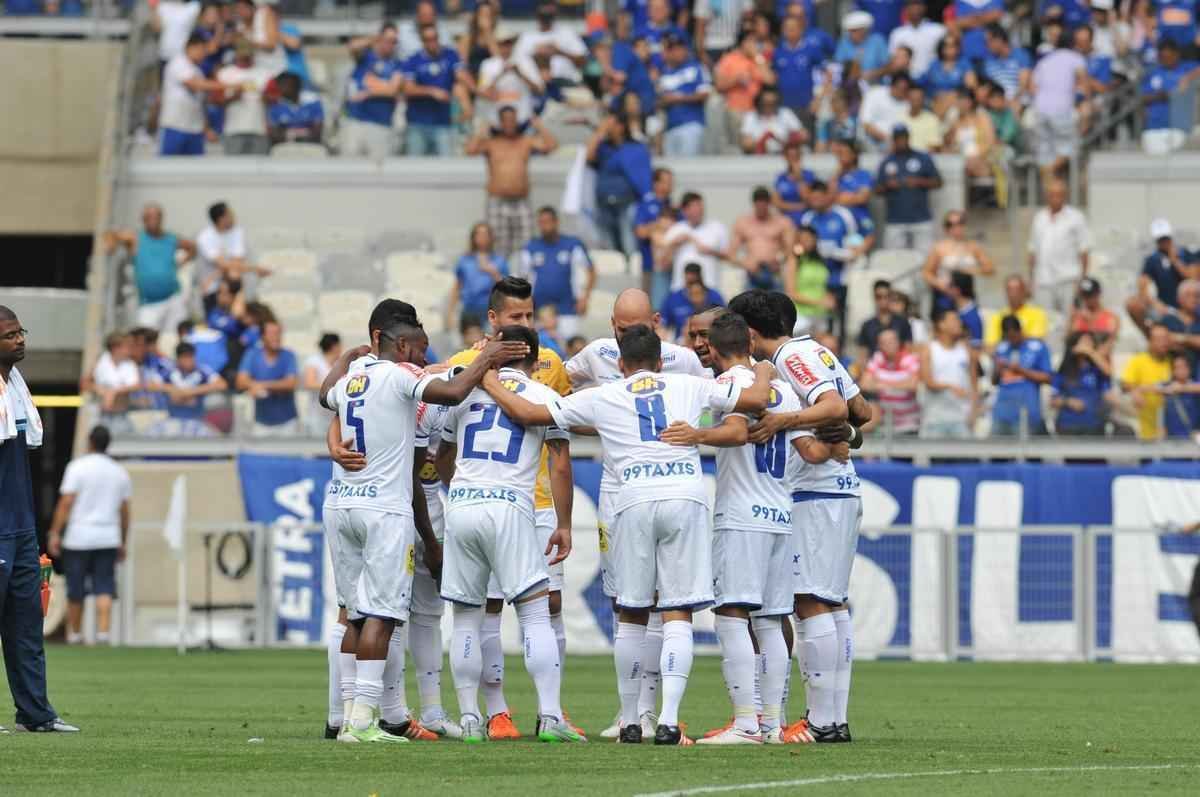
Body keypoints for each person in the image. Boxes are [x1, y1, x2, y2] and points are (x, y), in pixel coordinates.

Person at [488, 323, 774, 745]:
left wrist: (488, 376)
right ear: (660, 361)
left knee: (632, 613)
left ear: (621, 364)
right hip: (685, 495)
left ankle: (631, 721)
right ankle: (671, 722)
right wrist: (764, 367)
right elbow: (756, 399)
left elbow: (529, 414)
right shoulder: (688, 384)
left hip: (633, 499)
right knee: (678, 612)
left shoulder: (605, 394)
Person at [319, 313, 530, 744]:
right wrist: (486, 355)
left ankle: (345, 717)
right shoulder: (399, 378)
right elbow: (452, 392)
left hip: (342, 504)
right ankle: (362, 722)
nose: (423, 357)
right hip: (383, 508)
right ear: (400, 347)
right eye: (418, 349)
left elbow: (326, 396)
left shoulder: (354, 379)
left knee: (354, 614)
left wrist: (344, 359)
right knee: (382, 614)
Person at [655, 313, 808, 744]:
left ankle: (745, 723)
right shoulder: (783, 388)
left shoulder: (729, 384)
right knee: (771, 620)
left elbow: (738, 431)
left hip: (742, 515)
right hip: (781, 512)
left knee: (730, 616)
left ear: (718, 351)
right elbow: (804, 446)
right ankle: (773, 724)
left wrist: (695, 434)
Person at [726, 289, 870, 744]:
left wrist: (783, 422)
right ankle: (834, 718)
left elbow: (834, 408)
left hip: (816, 492)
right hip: (840, 490)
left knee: (809, 601)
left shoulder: (790, 357)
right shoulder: (819, 351)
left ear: (750, 333)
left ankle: (821, 720)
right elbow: (861, 412)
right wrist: (842, 433)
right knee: (832, 602)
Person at [565, 289, 709, 741]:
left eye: (633, 328)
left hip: (643, 487)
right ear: (611, 324)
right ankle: (637, 713)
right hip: (620, 489)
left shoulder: (683, 361)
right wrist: (610, 422)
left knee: (659, 601)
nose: (623, 336)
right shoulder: (595, 354)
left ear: (656, 320)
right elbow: (559, 383)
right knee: (628, 600)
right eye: (619, 327)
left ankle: (646, 712)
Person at [440, 277, 578, 741]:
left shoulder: (463, 382)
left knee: (466, 615)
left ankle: (471, 719)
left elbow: (439, 451)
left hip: (461, 502)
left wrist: (456, 488)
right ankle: (552, 717)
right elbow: (559, 464)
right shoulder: (542, 396)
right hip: (511, 506)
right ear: (532, 357)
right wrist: (563, 522)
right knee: (535, 614)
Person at [0, 307, 78, 732]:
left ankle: (36, 714)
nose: (20, 340)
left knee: (27, 626)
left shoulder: (15, 385)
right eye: (10, 335)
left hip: (20, 528)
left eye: (20, 332)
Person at [45, 425, 131, 646]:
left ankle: (75, 634)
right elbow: (124, 511)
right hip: (108, 535)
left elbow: (66, 503)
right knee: (104, 586)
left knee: (76, 587)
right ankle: (103, 634)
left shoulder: (77, 467)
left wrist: (55, 531)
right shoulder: (118, 471)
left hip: (79, 537)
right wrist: (122, 539)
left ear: (90, 442)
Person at [466, 107, 557, 259]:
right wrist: (481, 131)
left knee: (527, 244)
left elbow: (552, 146)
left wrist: (539, 126)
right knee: (498, 245)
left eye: (512, 119)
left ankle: (523, 280)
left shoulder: (525, 141)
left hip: (521, 200)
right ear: (500, 122)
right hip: (497, 201)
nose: (509, 123)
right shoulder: (492, 143)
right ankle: (502, 280)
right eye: (506, 120)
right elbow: (470, 150)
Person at [103, 204, 197, 335]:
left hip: (173, 298)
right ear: (143, 220)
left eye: (156, 217)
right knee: (145, 337)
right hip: (149, 303)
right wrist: (111, 245)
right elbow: (112, 235)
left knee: (176, 337)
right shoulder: (136, 238)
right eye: (149, 217)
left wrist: (181, 262)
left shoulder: (170, 239)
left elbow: (192, 247)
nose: (153, 220)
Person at [799, 180, 867, 336]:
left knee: (839, 321)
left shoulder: (843, 215)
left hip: (840, 277)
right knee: (821, 324)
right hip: (817, 279)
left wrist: (837, 253)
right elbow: (801, 245)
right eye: (812, 198)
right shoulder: (808, 218)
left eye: (818, 198)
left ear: (826, 197)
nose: (815, 202)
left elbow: (855, 245)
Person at [517, 207, 596, 339]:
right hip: (539, 310)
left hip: (567, 308)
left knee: (569, 350)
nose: (545, 226)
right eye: (541, 222)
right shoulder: (530, 247)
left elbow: (591, 271)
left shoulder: (572, 244)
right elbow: (522, 278)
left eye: (547, 221)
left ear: (556, 222)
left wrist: (584, 298)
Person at [587, 113, 653, 257]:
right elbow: (589, 156)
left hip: (627, 202)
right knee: (609, 246)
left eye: (612, 124)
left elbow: (641, 175)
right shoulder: (604, 148)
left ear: (621, 126)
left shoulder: (635, 147)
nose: (609, 127)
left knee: (628, 241)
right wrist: (600, 131)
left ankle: (632, 276)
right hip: (604, 203)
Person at [403, 22, 472, 156]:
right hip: (417, 123)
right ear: (422, 41)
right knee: (414, 169)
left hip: (443, 123)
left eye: (435, 38)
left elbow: (462, 78)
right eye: (428, 39)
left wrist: (476, 92)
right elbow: (407, 89)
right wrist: (432, 92)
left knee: (446, 168)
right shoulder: (413, 60)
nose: (432, 42)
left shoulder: (450, 55)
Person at [1031, 29, 1089, 183]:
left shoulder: (1045, 61)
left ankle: (1048, 191)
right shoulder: (1076, 58)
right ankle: (1051, 174)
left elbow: (1033, 87)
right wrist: (1084, 107)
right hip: (1061, 109)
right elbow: (1083, 84)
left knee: (1045, 154)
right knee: (1070, 148)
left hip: (1040, 109)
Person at [875, 124, 943, 253]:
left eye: (903, 138)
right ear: (893, 140)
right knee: (894, 260)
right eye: (898, 138)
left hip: (921, 219)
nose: (901, 141)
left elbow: (938, 182)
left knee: (924, 259)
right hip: (895, 220)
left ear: (908, 138)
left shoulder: (923, 158)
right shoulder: (886, 161)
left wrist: (919, 182)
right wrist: (888, 186)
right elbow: (877, 190)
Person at [1027, 180, 1091, 313]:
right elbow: (1033, 250)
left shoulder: (1076, 217)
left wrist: (1082, 279)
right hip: (1043, 280)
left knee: (1068, 320)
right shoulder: (1039, 218)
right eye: (1052, 195)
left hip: (1068, 278)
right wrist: (1031, 279)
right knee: (1045, 321)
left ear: (1065, 196)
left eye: (1059, 195)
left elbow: (1084, 250)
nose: (1055, 198)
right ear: (1046, 196)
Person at [160, 33, 230, 155]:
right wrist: (226, 85)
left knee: (194, 171)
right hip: (175, 126)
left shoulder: (198, 71)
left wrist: (206, 129)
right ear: (191, 47)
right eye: (202, 50)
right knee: (169, 169)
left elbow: (200, 105)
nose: (204, 54)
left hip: (195, 130)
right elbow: (194, 84)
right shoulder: (178, 63)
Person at [343, 22, 405, 159]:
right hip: (355, 121)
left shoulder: (398, 64)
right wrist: (373, 39)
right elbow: (352, 46)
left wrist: (368, 91)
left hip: (381, 124)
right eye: (388, 40)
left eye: (394, 41)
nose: (391, 44)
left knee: (378, 173)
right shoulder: (366, 57)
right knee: (349, 170)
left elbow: (392, 90)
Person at [1128, 218, 1200, 331]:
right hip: (1167, 307)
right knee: (1133, 303)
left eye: (1166, 238)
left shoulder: (1185, 253)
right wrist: (1156, 304)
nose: (1164, 242)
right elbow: (1142, 285)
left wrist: (1175, 260)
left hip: (1190, 307)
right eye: (1160, 239)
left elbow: (1194, 277)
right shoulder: (1152, 259)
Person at [195, 202, 266, 313]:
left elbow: (236, 263)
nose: (234, 217)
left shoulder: (237, 232)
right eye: (230, 214)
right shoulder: (205, 237)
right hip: (212, 289)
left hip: (234, 287)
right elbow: (223, 264)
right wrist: (255, 269)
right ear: (221, 219)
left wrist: (233, 272)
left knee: (235, 275)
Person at [922, 210, 995, 313]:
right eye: (950, 224)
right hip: (946, 293)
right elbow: (926, 273)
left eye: (960, 223)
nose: (956, 228)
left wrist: (970, 270)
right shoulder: (939, 248)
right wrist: (941, 285)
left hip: (967, 293)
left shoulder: (973, 246)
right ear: (946, 228)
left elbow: (990, 269)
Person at [991, 315, 1053, 435]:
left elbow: (1047, 377)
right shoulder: (1002, 348)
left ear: (1020, 331)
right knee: (996, 451)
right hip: (1001, 412)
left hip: (1026, 411)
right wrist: (998, 369)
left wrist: (1020, 370)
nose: (1011, 340)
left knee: (1023, 451)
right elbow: (994, 381)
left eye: (1013, 336)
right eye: (1008, 337)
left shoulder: (1037, 347)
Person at [235, 319, 298, 436]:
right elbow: (240, 381)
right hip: (261, 423)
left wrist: (260, 385)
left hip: (287, 423)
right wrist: (254, 386)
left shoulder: (289, 356)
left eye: (278, 333)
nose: (277, 337)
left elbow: (291, 383)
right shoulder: (252, 355)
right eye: (272, 333)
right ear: (262, 336)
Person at [920, 307, 976, 438]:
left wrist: (974, 412)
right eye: (954, 320)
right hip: (935, 418)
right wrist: (950, 387)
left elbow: (974, 384)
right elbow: (928, 381)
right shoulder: (930, 350)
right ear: (942, 324)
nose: (959, 323)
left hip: (961, 418)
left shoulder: (966, 351)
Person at [729, 186, 797, 291]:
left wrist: (779, 259)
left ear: (769, 204)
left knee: (777, 306)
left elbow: (790, 250)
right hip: (752, 275)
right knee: (749, 306)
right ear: (754, 204)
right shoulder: (743, 223)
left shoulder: (782, 222)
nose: (761, 208)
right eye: (758, 205)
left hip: (774, 275)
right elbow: (731, 255)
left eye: (764, 205)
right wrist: (746, 263)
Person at [716, 30, 776, 146]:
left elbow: (770, 80)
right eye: (751, 42)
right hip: (735, 110)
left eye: (756, 42)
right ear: (743, 43)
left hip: (756, 113)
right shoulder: (729, 59)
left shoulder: (759, 60)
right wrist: (735, 80)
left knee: (755, 146)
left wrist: (758, 57)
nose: (755, 45)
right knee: (737, 146)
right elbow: (719, 86)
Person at [1141, 38, 1200, 155]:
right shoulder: (1153, 72)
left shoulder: (1185, 68)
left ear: (1176, 54)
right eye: (1162, 57)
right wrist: (1159, 96)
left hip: (1179, 127)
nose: (1165, 60)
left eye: (1169, 57)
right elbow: (1142, 97)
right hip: (1153, 128)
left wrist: (1188, 78)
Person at [772, 9, 830, 128]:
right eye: (786, 28)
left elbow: (828, 74)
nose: (789, 31)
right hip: (784, 107)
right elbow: (773, 77)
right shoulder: (778, 52)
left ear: (800, 30)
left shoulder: (811, 49)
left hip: (807, 105)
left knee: (806, 141)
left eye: (792, 28)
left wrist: (818, 99)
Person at [661, 192, 730, 292]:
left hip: (709, 289)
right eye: (694, 208)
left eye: (701, 207)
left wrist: (710, 251)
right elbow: (663, 265)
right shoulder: (675, 230)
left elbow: (728, 256)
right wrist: (674, 245)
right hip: (681, 289)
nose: (699, 211)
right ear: (684, 210)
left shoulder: (717, 227)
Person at [215, 38, 272, 155]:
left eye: (248, 54)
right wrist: (233, 97)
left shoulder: (265, 74)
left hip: (258, 129)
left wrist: (264, 97)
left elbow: (275, 99)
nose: (245, 58)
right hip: (233, 129)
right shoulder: (224, 74)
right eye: (243, 54)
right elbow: (215, 100)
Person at [477, 27, 544, 126]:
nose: (505, 47)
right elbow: (483, 94)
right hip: (496, 122)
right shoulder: (487, 65)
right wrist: (500, 75)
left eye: (508, 43)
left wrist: (520, 74)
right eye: (501, 43)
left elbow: (540, 90)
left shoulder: (527, 62)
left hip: (523, 119)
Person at [658, 33, 712, 156]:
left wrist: (678, 98)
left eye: (681, 48)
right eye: (674, 49)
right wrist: (665, 101)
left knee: (689, 165)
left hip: (691, 125)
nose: (679, 52)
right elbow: (658, 100)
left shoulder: (697, 68)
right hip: (670, 127)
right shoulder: (663, 73)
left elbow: (704, 94)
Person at [449, 223, 509, 332]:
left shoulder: (499, 260)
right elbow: (457, 287)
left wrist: (493, 272)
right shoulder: (465, 260)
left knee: (490, 343)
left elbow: (507, 289)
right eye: (479, 234)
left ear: (491, 237)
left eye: (485, 234)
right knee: (472, 345)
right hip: (469, 310)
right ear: (473, 238)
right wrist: (450, 313)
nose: (482, 237)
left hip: (491, 311)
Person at [1120, 323, 1175, 440]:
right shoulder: (1138, 361)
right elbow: (1126, 384)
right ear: (1150, 341)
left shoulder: (1174, 361)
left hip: (1171, 426)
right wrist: (1135, 391)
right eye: (1159, 339)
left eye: (1166, 338)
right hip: (1146, 424)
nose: (1164, 343)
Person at [860, 328, 921, 435]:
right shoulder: (877, 358)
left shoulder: (910, 359)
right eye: (885, 342)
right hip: (884, 423)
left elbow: (913, 385)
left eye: (892, 341)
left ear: (898, 342)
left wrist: (881, 383)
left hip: (908, 423)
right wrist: (900, 384)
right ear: (879, 345)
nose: (889, 345)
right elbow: (864, 384)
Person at [1051, 332, 1113, 435]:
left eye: (1090, 343)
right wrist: (1069, 402)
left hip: (1094, 426)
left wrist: (1091, 352)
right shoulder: (1064, 371)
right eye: (1084, 342)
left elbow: (1109, 372)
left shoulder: (1096, 370)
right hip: (1068, 426)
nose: (1087, 346)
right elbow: (1053, 401)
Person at [515, 1, 588, 86]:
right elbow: (517, 63)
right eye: (544, 6)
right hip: (535, 85)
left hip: (565, 82)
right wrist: (537, 54)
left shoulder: (567, 33)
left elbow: (583, 61)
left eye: (549, 8)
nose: (546, 11)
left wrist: (559, 52)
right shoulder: (526, 36)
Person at [162, 341, 226, 434]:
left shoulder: (202, 370)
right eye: (185, 357)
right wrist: (174, 391)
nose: (189, 360)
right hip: (173, 420)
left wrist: (192, 392)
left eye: (191, 356)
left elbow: (222, 384)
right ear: (178, 358)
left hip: (197, 420)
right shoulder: (169, 370)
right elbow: (152, 385)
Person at [785, 224, 835, 333]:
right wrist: (818, 302)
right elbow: (791, 292)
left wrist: (829, 298)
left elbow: (822, 286)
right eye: (801, 239)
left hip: (821, 314)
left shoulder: (820, 261)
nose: (804, 242)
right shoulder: (794, 261)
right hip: (801, 315)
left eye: (808, 239)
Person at [634, 167, 675, 299]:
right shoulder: (645, 205)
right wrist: (659, 224)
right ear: (656, 183)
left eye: (671, 182)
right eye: (666, 181)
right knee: (651, 307)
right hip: (650, 264)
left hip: (672, 264)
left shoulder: (673, 206)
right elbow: (640, 232)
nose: (670, 185)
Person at [660, 263, 725, 338]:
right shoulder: (673, 298)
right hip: (682, 342)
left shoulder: (715, 297)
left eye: (695, 282)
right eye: (689, 284)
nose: (692, 289)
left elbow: (725, 322)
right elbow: (662, 325)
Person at [946, 87, 996, 180]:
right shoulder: (955, 122)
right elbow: (951, 144)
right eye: (958, 101)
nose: (960, 104)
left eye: (963, 100)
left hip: (982, 158)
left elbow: (990, 142)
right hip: (961, 160)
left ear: (970, 102)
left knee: (974, 167)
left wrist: (977, 157)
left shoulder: (982, 119)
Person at [985, 275, 1049, 349]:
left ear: (1024, 291)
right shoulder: (996, 316)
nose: (1013, 294)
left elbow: (1037, 342)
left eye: (1017, 289)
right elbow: (990, 345)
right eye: (1010, 290)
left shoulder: (1037, 314)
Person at [889, 0, 945, 80]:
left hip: (932, 80)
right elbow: (893, 62)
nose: (915, 8)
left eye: (918, 4)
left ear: (924, 7)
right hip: (906, 80)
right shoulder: (897, 33)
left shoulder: (938, 30)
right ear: (906, 8)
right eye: (911, 4)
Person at [739, 87, 805, 155]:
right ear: (759, 102)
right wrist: (762, 141)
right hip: (758, 156)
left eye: (773, 103)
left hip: (784, 155)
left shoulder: (786, 113)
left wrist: (786, 141)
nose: (769, 106)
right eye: (766, 103)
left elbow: (803, 135)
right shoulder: (751, 116)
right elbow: (746, 143)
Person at [267, 71, 324, 146]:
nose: (281, 88)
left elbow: (317, 131)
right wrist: (292, 136)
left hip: (310, 145)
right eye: (279, 84)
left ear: (296, 85)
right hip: (285, 146)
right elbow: (274, 133)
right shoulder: (275, 106)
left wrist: (300, 136)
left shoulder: (313, 103)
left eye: (285, 84)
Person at [981, 23, 1032, 106]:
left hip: (1019, 102)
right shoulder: (989, 62)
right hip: (997, 104)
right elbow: (988, 88)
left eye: (989, 41)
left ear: (999, 39)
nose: (987, 46)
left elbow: (1023, 86)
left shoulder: (1020, 55)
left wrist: (1010, 102)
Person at [923, 35, 975, 117]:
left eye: (953, 45)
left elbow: (971, 84)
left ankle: (937, 119)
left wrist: (952, 94)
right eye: (946, 45)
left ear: (958, 48)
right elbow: (925, 83)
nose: (949, 48)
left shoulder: (964, 63)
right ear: (941, 47)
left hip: (957, 99)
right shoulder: (934, 64)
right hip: (935, 100)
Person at [301, 333, 342, 436]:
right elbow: (309, 383)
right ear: (334, 346)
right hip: (317, 415)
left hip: (336, 415)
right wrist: (335, 387)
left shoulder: (341, 363)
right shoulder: (314, 361)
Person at [859, 73, 911, 152]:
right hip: (871, 140)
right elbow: (865, 124)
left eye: (905, 89)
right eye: (900, 89)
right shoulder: (875, 93)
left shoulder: (907, 103)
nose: (902, 92)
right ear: (892, 86)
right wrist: (888, 140)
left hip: (896, 145)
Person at [1069, 277, 1120, 356]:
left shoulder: (1111, 318)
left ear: (1098, 294)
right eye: (1084, 296)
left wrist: (1090, 323)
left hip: (1099, 364)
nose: (1086, 300)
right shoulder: (1077, 317)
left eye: (1089, 296)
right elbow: (1070, 344)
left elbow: (1107, 348)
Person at [836, 10, 890, 82]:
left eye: (854, 30)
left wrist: (873, 74)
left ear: (864, 29)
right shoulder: (844, 42)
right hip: (852, 86)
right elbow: (839, 65)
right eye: (849, 31)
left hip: (876, 85)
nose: (851, 33)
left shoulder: (878, 41)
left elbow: (888, 66)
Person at [773, 140, 816, 227]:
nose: (793, 160)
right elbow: (777, 203)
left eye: (796, 156)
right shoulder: (781, 178)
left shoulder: (809, 175)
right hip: (786, 221)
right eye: (790, 156)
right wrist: (800, 206)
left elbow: (808, 199)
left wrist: (799, 178)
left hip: (805, 220)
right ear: (785, 157)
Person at [1161, 352, 1200, 438]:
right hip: (1172, 438)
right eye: (1177, 368)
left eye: (1183, 367)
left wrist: (1181, 388)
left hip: (1194, 436)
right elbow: (1151, 387)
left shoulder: (1195, 385)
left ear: (1189, 369)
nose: (1181, 371)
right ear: (1172, 371)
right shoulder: (1167, 386)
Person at [900, 84, 942, 152]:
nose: (915, 102)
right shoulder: (899, 118)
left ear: (923, 100)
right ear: (908, 99)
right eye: (913, 99)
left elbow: (934, 146)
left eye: (918, 99)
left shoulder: (932, 119)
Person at [949, 271, 984, 349]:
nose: (947, 289)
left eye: (950, 286)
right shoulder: (954, 310)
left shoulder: (974, 316)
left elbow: (977, 345)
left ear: (957, 290)